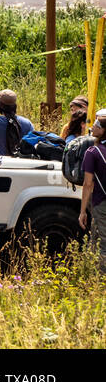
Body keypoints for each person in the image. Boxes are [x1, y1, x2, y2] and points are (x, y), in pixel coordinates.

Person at [77, 110, 106, 270]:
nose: (92, 128)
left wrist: (82, 211)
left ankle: (101, 283)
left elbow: (88, 184)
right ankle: (91, 274)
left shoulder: (93, 152)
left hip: (100, 202)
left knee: (102, 243)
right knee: (94, 239)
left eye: (96, 125)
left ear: (102, 131)